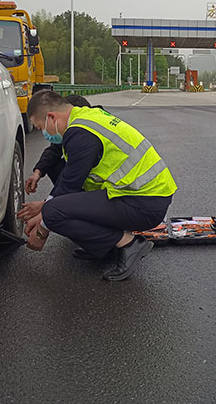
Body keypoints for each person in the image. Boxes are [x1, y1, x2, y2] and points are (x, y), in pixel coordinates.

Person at [16, 90, 177, 281]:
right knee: (55, 208)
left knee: (54, 213)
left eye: (41, 127)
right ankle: (106, 246)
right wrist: (44, 206)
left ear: (52, 117)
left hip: (143, 204)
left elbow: (68, 188)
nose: (44, 133)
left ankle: (129, 244)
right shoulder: (87, 118)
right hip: (140, 196)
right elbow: (68, 181)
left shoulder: (80, 134)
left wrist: (42, 229)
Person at [25, 93, 98, 194]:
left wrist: (48, 204)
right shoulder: (72, 129)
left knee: (57, 206)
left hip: (116, 193)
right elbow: (53, 151)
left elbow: (70, 181)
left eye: (40, 127)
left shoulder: (83, 135)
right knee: (52, 164)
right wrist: (37, 172)